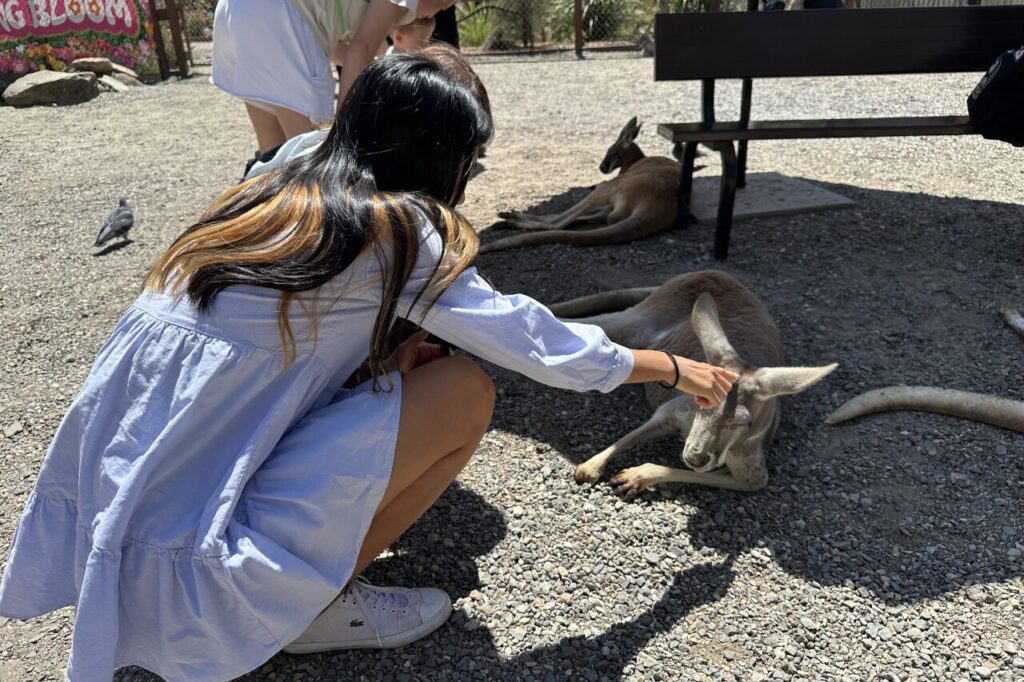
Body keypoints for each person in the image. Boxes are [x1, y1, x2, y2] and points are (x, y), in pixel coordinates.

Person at [0, 53, 737, 682]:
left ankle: (274, 583)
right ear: (438, 156)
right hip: (198, 558)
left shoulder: (281, 178)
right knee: (463, 392)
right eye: (470, 161)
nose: (472, 178)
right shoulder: (403, 228)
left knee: (409, 368)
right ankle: (306, 606)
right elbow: (537, 343)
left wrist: (380, 352)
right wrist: (672, 368)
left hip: (117, 504)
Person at [211, 0, 456, 167]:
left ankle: (274, 232)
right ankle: (313, 234)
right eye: (447, 1)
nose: (446, 6)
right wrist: (343, 134)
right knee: (309, 160)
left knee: (273, 154)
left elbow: (336, 51)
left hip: (238, 13)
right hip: (274, 19)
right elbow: (361, 47)